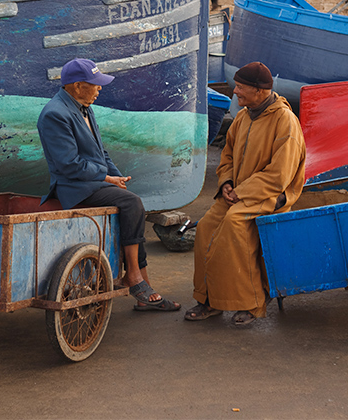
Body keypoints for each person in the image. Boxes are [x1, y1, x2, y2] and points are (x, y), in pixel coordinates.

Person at [37, 58, 180, 312]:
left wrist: (118, 177)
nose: (99, 89)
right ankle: (134, 277)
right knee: (132, 203)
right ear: (78, 86)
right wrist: (106, 178)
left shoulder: (85, 107)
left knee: (133, 203)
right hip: (74, 187)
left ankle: (144, 284)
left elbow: (101, 153)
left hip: (93, 182)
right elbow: (69, 164)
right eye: (95, 85)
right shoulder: (54, 114)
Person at [185, 61, 306, 326]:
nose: (235, 92)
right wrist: (227, 183)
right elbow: (226, 157)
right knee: (206, 227)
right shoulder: (242, 116)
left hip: (271, 195)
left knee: (234, 224)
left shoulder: (285, 121)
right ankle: (208, 299)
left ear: (260, 91)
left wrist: (242, 192)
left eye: (240, 88)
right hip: (237, 193)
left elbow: (280, 175)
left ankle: (251, 302)